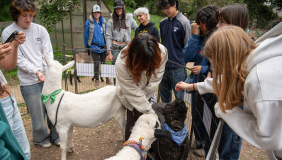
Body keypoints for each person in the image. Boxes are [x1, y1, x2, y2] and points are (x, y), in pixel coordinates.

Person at [176, 24, 282, 160]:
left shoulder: (260, 82)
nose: (216, 70)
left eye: (217, 65)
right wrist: (191, 86)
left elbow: (269, 136)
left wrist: (224, 111)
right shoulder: (251, 60)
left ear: (226, 59)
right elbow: (227, 79)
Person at [1, 0, 60, 148]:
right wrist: (36, 72)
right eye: (24, 15)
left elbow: (48, 52)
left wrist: (48, 71)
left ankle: (56, 135)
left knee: (53, 108)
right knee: (37, 114)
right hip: (29, 80)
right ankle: (41, 139)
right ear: (16, 15)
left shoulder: (40, 30)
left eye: (30, 15)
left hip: (46, 77)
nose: (28, 19)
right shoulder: (9, 32)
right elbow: (17, 59)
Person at [181, 5, 219, 156]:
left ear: (209, 21)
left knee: (208, 115)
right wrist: (195, 36)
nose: (200, 25)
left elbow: (218, 62)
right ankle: (198, 140)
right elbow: (187, 56)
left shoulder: (217, 37)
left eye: (202, 22)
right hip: (197, 82)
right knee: (197, 112)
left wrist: (203, 70)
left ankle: (207, 144)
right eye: (199, 22)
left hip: (211, 83)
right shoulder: (199, 36)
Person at [115, 33, 168, 140]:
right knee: (133, 120)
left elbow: (156, 78)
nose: (148, 67)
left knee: (144, 119)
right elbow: (133, 93)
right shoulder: (122, 62)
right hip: (130, 93)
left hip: (146, 90)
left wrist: (146, 104)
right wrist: (151, 112)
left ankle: (145, 148)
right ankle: (131, 149)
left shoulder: (161, 52)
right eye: (144, 64)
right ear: (133, 56)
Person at [0, 33, 30, 159]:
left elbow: (8, 65)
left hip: (8, 99)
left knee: (23, 152)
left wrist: (15, 45)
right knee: (8, 153)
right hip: (2, 106)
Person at [157, 0, 191, 103]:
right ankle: (166, 119)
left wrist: (182, 61)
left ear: (175, 4)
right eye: (163, 9)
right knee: (164, 96)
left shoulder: (184, 22)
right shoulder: (163, 23)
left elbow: (188, 46)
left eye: (167, 8)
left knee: (179, 98)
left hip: (178, 66)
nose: (165, 11)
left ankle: (180, 119)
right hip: (163, 65)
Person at [106, 0, 138, 85]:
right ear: (114, 9)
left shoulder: (130, 19)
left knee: (127, 69)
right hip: (115, 47)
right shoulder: (111, 21)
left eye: (120, 7)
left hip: (127, 48)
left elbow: (137, 30)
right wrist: (109, 53)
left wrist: (133, 43)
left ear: (123, 7)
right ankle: (116, 89)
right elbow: (108, 36)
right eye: (116, 8)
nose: (118, 9)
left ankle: (126, 90)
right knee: (116, 70)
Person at [134, 7, 160, 105]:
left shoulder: (153, 28)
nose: (139, 18)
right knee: (141, 82)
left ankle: (151, 103)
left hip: (150, 60)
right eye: (137, 17)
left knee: (150, 83)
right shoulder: (137, 29)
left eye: (140, 16)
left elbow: (157, 45)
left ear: (146, 15)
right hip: (140, 61)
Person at [83, 4, 112, 86]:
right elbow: (86, 35)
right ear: (92, 13)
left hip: (102, 47)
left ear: (100, 13)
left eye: (98, 12)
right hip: (93, 47)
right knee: (96, 63)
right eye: (95, 12)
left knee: (104, 63)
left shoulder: (103, 22)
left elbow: (107, 34)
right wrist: (87, 46)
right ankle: (96, 79)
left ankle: (107, 78)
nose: (96, 14)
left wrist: (107, 45)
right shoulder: (88, 23)